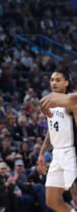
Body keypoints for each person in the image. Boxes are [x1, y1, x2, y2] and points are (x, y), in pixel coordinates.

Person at [38, 71, 77, 212]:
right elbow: (51, 131)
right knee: (51, 200)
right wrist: (42, 153)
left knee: (76, 197)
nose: (53, 83)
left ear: (66, 83)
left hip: (71, 152)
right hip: (57, 153)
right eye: (52, 80)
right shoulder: (51, 104)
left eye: (58, 80)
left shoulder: (71, 101)